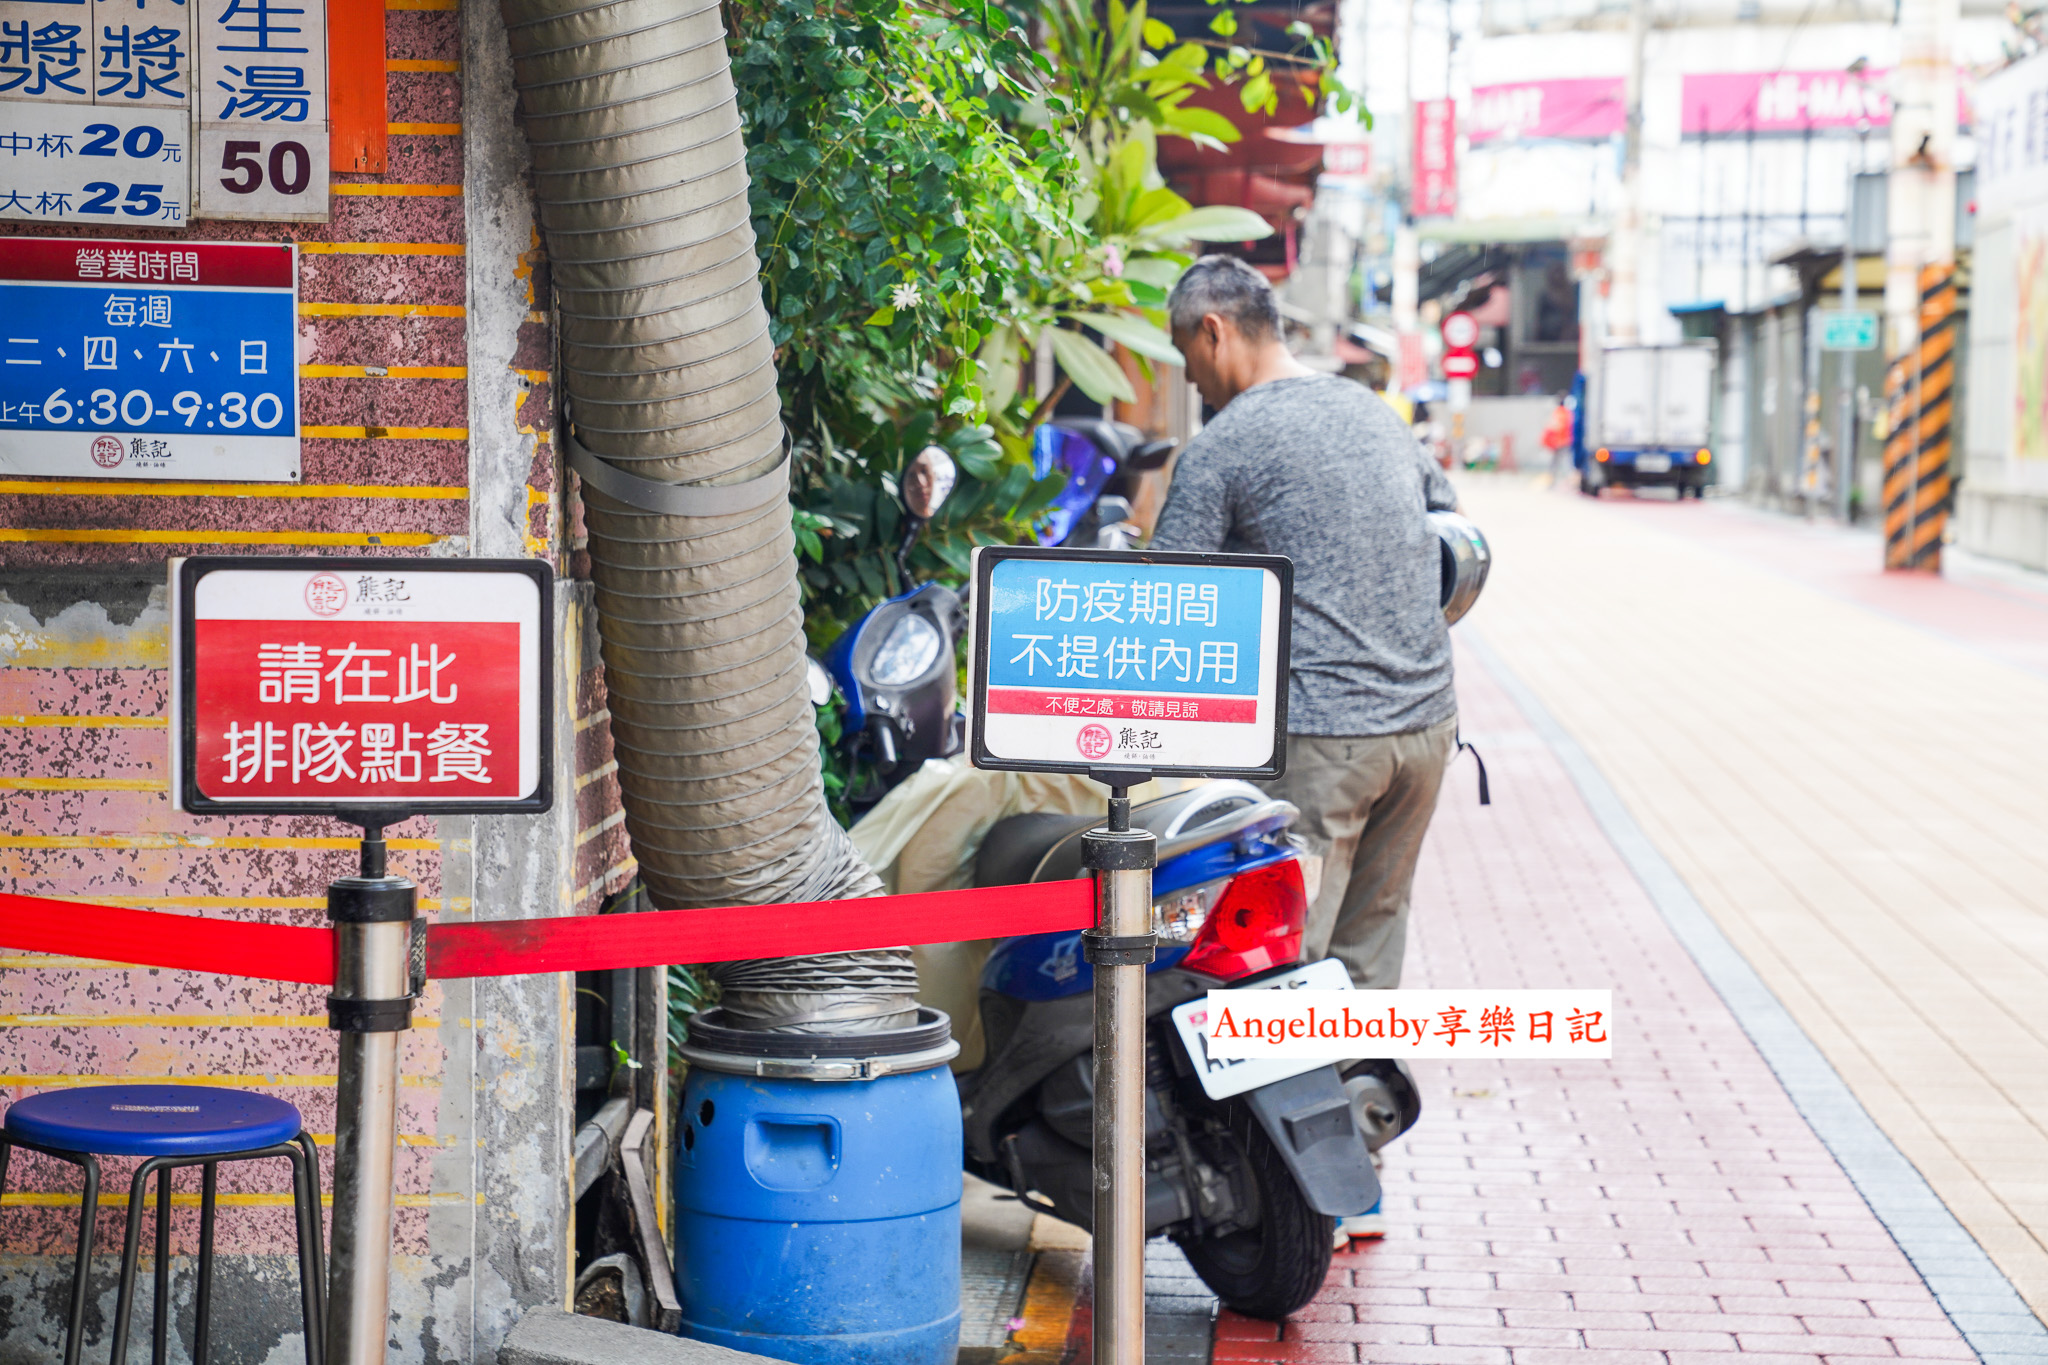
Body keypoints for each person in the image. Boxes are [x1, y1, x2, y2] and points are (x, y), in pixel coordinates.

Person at [1150, 254, 1459, 1018]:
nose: (1192, 382)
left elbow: (1170, 594)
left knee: (1284, 961)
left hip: (1323, 741)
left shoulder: (1226, 443)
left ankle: (1291, 1132)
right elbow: (1455, 534)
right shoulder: (1373, 414)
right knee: (1371, 943)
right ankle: (1360, 1124)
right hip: (1425, 728)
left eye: (1189, 358)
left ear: (1214, 332)